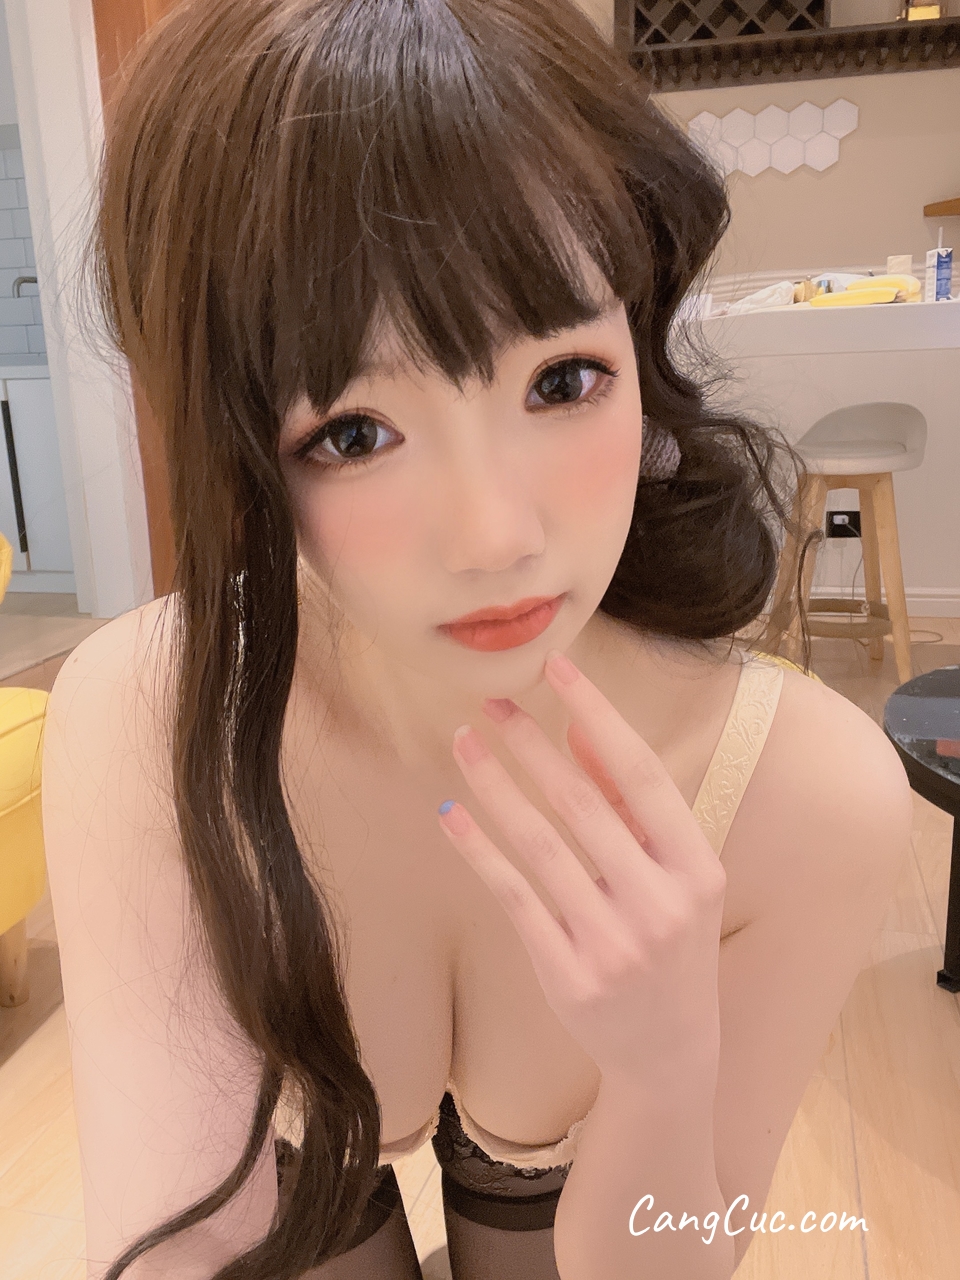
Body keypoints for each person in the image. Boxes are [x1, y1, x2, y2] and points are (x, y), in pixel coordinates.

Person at [42, 1, 913, 1277]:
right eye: (354, 432)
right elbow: (172, 1242)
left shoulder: (808, 794)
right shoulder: (149, 713)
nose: (496, 534)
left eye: (562, 379)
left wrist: (661, 1070)